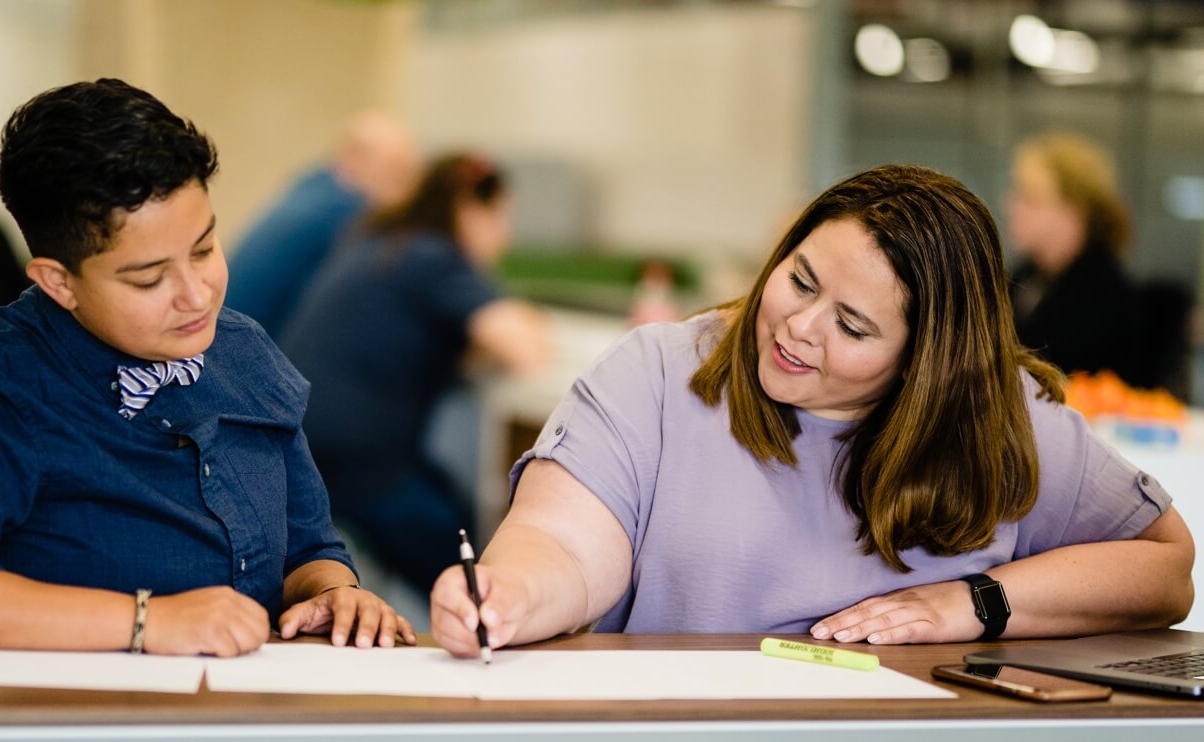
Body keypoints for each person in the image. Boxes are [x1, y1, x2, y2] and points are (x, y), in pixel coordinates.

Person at [430, 164, 1194, 657]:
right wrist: (511, 594)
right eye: (799, 281)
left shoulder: (1002, 421)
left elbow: (1165, 570)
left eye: (853, 327)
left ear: (926, 364)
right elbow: (562, 544)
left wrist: (980, 602)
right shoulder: (661, 373)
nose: (799, 327)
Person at [0, 79, 414, 655]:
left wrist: (335, 591)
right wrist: (145, 621)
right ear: (58, 282)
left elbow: (307, 547)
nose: (196, 296)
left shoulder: (244, 352)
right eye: (148, 278)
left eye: (204, 250)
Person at [280, 152, 550, 600]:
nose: (505, 236)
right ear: (469, 210)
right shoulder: (434, 257)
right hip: (359, 463)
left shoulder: (380, 243)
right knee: (461, 550)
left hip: (307, 445)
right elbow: (525, 348)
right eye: (501, 218)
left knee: (445, 496)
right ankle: (480, 620)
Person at [222, 110, 421, 337]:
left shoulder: (313, 187)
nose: (408, 193)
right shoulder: (342, 212)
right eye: (398, 174)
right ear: (355, 160)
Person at [1005, 131, 1147, 386]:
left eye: (1030, 199)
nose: (1012, 208)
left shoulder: (1107, 297)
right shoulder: (1024, 278)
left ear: (1073, 211)